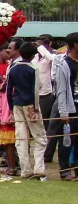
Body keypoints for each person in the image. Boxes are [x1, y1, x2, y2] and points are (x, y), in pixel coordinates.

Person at [6, 42, 47, 179]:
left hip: (17, 104)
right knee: (40, 137)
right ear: (33, 55)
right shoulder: (33, 69)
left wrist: (11, 108)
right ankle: (39, 169)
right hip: (31, 105)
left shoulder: (12, 68)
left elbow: (8, 90)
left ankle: (25, 170)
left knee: (21, 138)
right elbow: (35, 90)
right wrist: (35, 108)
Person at [51, 32, 78, 180]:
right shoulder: (64, 64)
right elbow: (60, 90)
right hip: (70, 107)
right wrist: (63, 112)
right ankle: (65, 170)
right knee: (67, 140)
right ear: (75, 45)